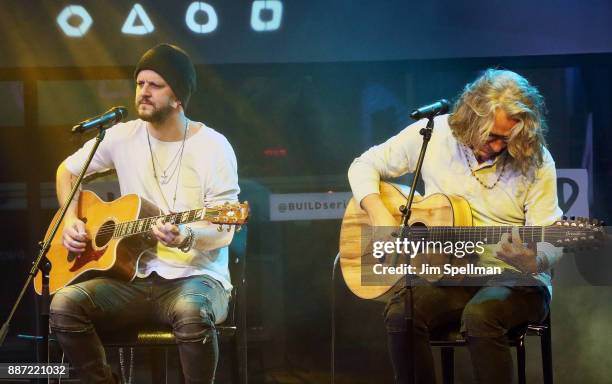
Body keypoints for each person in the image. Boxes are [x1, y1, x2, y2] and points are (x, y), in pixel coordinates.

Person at [348, 69, 563, 383]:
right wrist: (379, 214)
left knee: (482, 316)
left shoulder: (536, 160)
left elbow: (552, 234)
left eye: (508, 137)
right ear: (471, 118)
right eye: (492, 135)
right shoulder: (433, 135)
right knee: (401, 315)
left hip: (515, 281)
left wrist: (536, 260)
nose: (500, 146)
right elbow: (364, 164)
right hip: (451, 274)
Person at [49, 43, 239, 384]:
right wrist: (71, 220)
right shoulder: (121, 136)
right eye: (140, 84)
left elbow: (225, 229)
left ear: (178, 96)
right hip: (133, 280)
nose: (144, 92)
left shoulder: (213, 147)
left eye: (156, 85)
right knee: (64, 304)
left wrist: (188, 235)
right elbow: (67, 171)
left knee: (191, 312)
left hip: (196, 278)